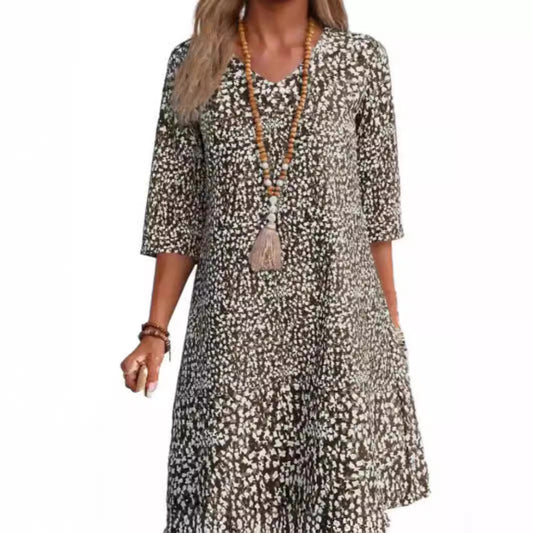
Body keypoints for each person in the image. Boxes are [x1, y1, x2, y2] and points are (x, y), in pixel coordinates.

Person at [121, 0, 430, 530]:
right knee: (224, 498)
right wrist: (155, 330)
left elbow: (378, 213)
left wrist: (389, 326)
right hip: (232, 337)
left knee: (338, 502)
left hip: (335, 331)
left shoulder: (360, 61)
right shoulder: (194, 64)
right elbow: (178, 211)